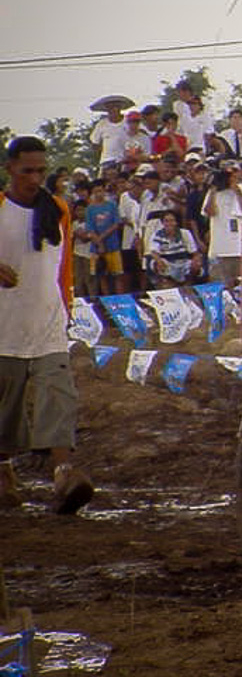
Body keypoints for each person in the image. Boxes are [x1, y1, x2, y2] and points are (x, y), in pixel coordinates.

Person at [0, 136, 94, 514]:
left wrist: (66, 307)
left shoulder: (58, 209)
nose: (36, 178)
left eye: (41, 170)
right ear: (10, 170)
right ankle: (5, 471)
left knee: (59, 396)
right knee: (7, 405)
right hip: (4, 327)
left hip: (49, 321)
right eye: (28, 171)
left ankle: (63, 473)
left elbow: (63, 263)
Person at [204, 161, 242, 287]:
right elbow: (209, 211)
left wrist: (237, 190)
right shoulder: (214, 193)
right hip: (219, 250)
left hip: (240, 249)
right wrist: (213, 189)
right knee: (221, 289)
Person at [146, 209, 202, 288]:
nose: (169, 224)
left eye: (172, 221)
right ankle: (166, 282)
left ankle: (189, 283)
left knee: (196, 264)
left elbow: (195, 252)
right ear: (162, 223)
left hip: (183, 261)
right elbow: (154, 252)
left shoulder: (185, 233)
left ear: (176, 222)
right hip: (167, 263)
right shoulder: (157, 235)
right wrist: (159, 261)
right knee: (155, 263)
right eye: (166, 221)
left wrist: (196, 262)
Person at [173, 80, 218, 155]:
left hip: (200, 145)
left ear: (187, 92)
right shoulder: (178, 105)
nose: (178, 95)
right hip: (183, 143)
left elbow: (208, 130)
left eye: (179, 92)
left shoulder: (203, 108)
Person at [89, 99, 131, 166]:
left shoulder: (129, 121)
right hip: (107, 161)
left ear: (120, 108)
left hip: (127, 160)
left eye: (115, 106)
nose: (113, 109)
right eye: (110, 107)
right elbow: (94, 143)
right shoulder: (101, 124)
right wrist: (106, 151)